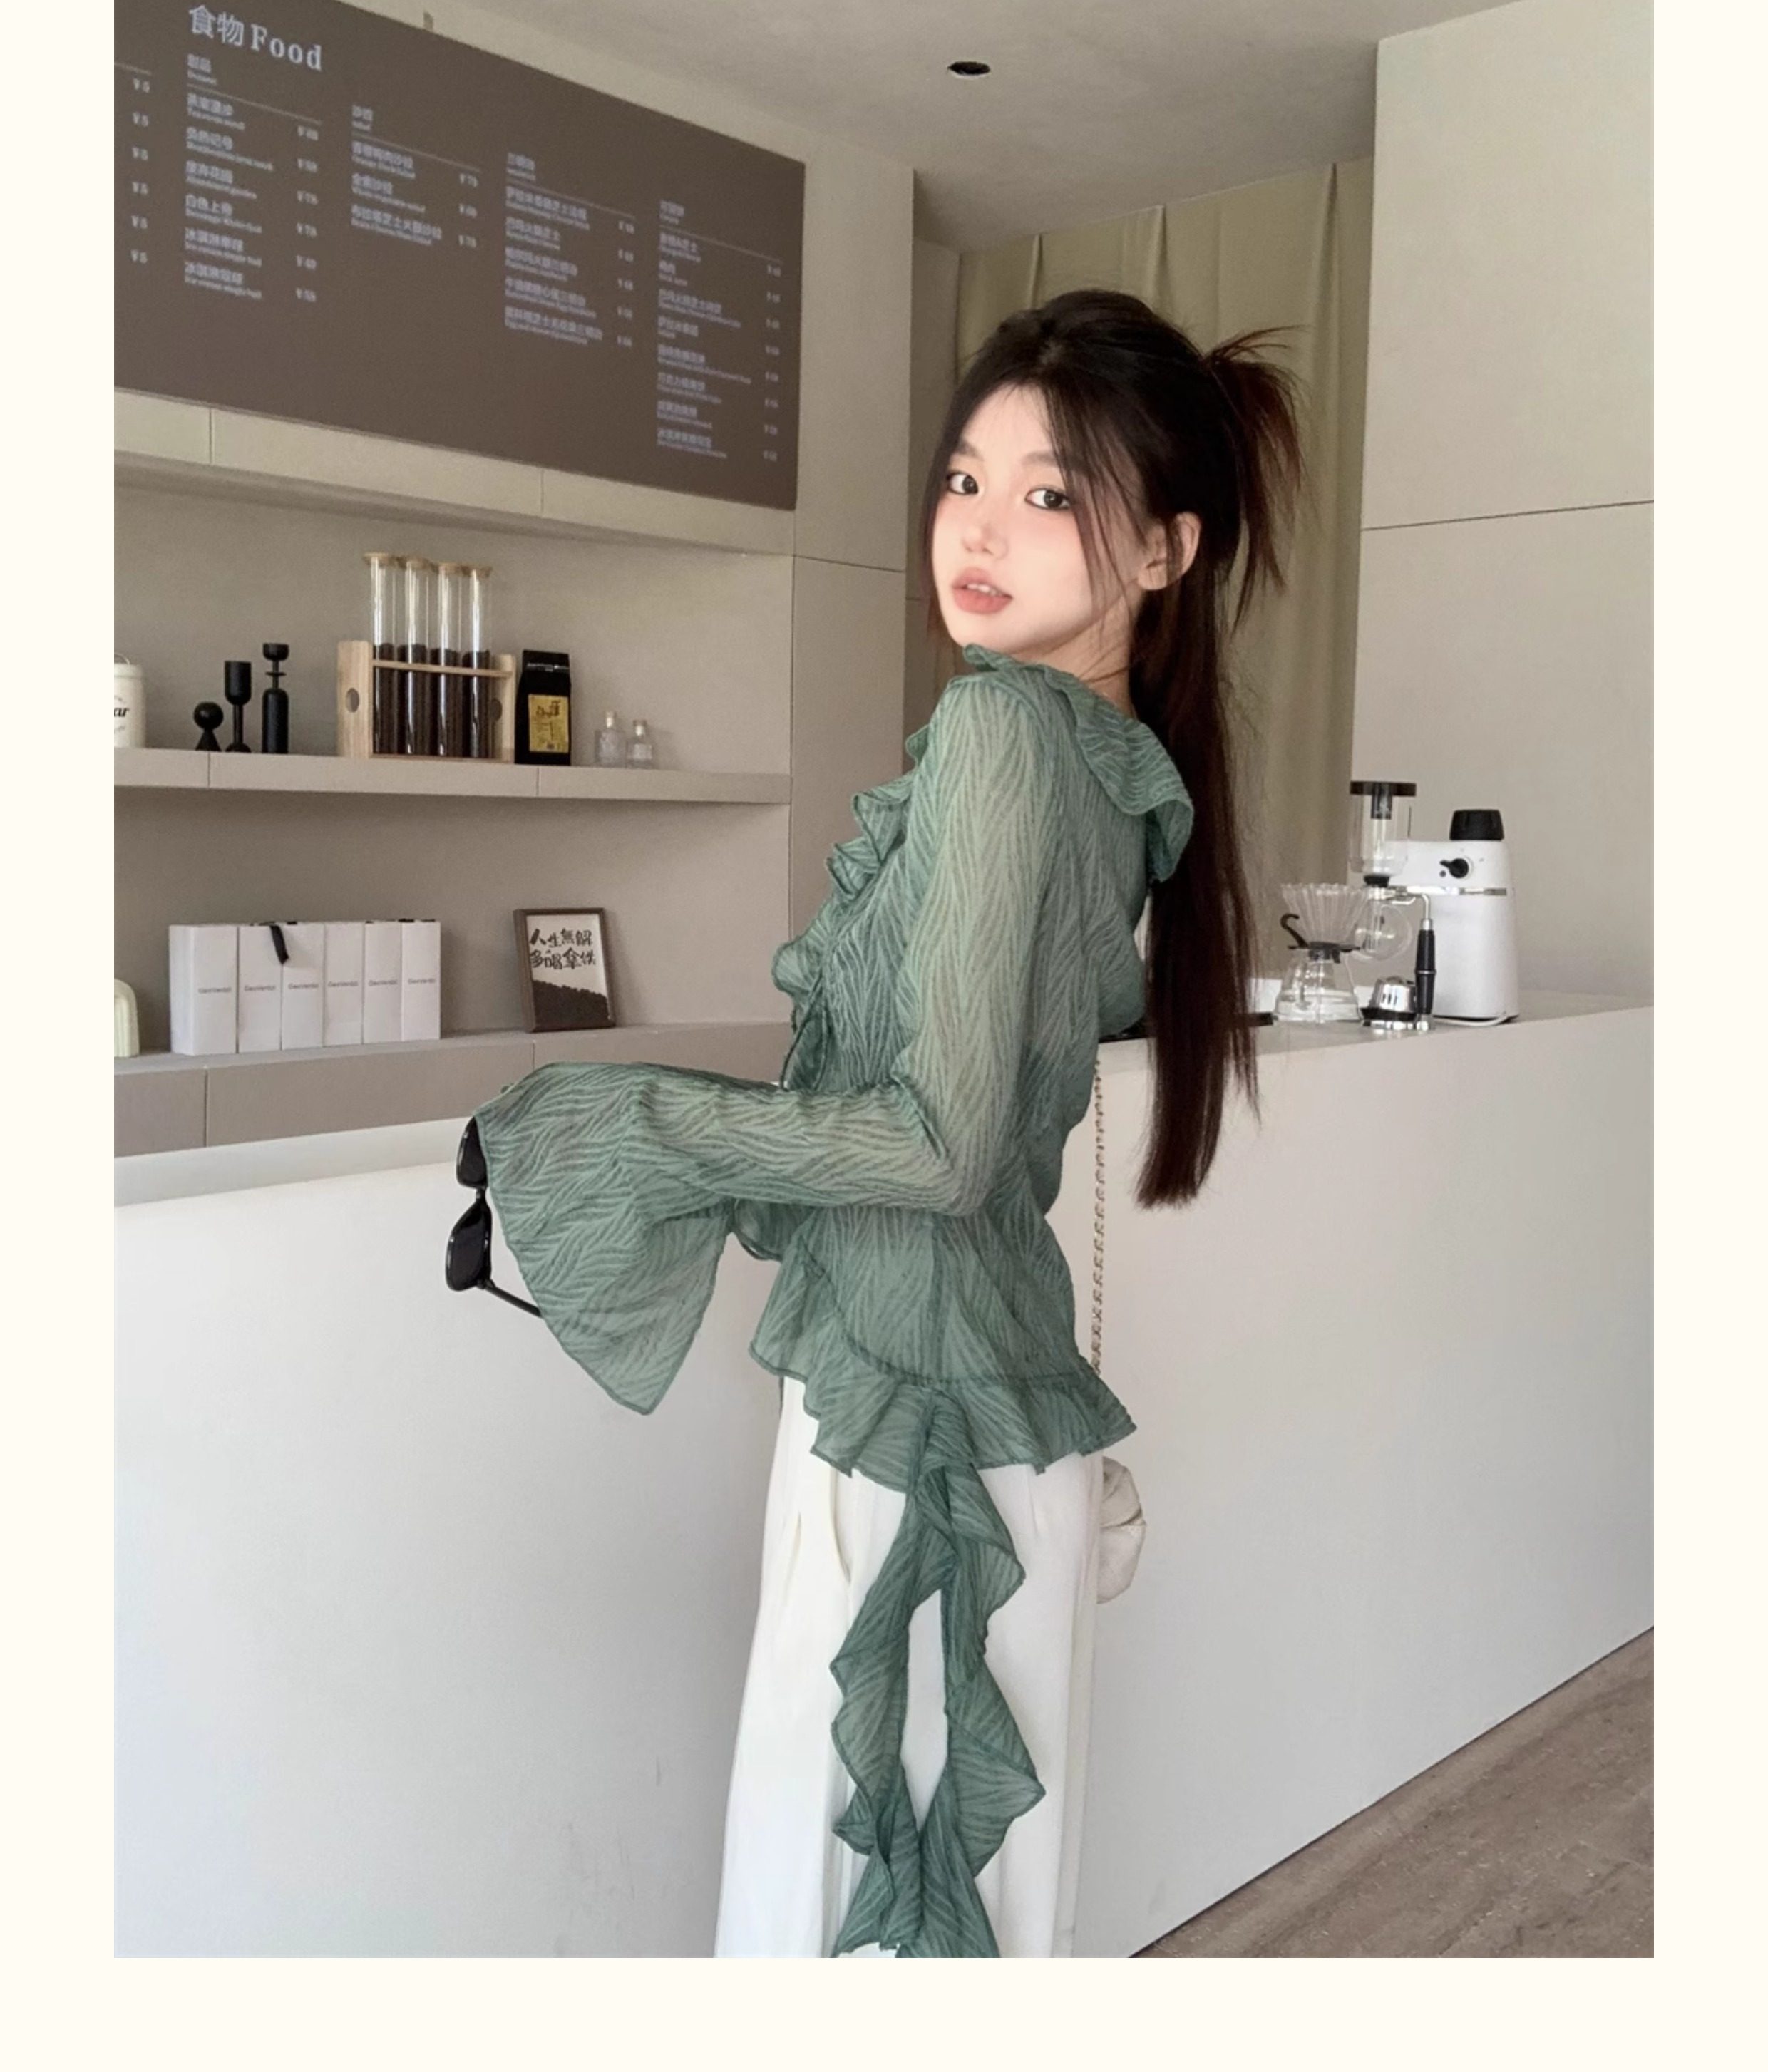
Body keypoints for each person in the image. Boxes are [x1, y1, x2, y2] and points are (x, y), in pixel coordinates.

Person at [466, 288, 1307, 1956]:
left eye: (1050, 493)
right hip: (965, 1412)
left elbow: (932, 1144)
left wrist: (621, 1121)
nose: (978, 529)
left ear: (1166, 550)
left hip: (914, 1433)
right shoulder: (1115, 767)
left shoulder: (1004, 733)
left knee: (833, 1916)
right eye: (963, 479)